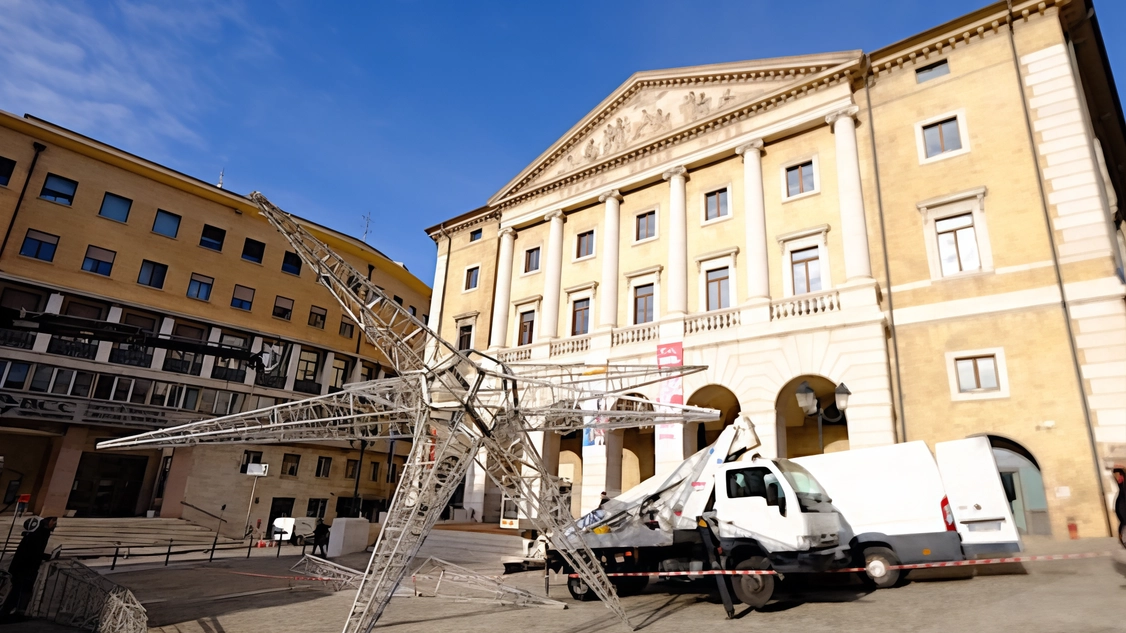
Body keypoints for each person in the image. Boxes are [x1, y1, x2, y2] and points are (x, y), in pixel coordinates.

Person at [0, 516, 57, 622]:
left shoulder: (37, 535)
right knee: (18, 591)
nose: (54, 524)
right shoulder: (37, 536)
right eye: (52, 521)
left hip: (25, 568)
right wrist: (45, 557)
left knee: (22, 590)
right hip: (24, 569)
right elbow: (32, 553)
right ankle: (6, 613)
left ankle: (16, 612)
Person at [1113, 468, 1125, 547]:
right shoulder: (1121, 483)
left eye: (1118, 475)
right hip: (1121, 503)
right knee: (1123, 521)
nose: (1117, 477)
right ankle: (1122, 540)